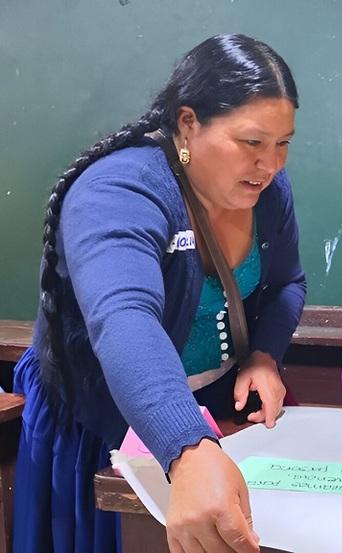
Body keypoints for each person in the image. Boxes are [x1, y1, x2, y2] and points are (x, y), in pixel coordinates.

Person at [13, 34, 306, 553]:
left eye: (283, 143)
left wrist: (264, 354)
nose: (272, 165)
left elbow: (287, 283)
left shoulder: (266, 193)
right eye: (253, 142)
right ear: (188, 123)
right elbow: (125, 318)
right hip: (104, 427)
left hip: (215, 420)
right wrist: (188, 446)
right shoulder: (119, 192)